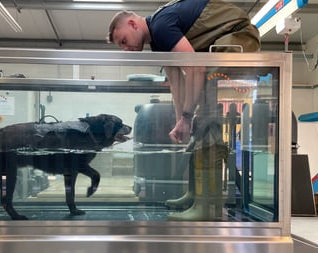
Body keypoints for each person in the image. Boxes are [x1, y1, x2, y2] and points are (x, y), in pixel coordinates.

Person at [107, 0, 260, 220]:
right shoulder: (158, 42)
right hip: (220, 43)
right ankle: (195, 194)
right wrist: (182, 121)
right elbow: (177, 82)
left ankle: (207, 207)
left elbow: (196, 68)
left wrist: (187, 118)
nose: (125, 47)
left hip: (238, 37)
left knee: (206, 112)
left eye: (123, 40)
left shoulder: (161, 26)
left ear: (132, 24)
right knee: (198, 121)